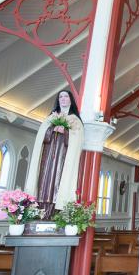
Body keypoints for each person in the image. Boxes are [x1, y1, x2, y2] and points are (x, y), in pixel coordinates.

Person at [25, 90, 84, 219]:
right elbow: (42, 135)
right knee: (45, 180)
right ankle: (41, 209)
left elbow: (77, 140)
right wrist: (52, 130)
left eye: (66, 96)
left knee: (59, 180)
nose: (63, 99)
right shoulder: (51, 117)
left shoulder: (75, 121)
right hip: (48, 157)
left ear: (71, 100)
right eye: (60, 97)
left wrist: (66, 132)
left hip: (63, 157)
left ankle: (57, 212)